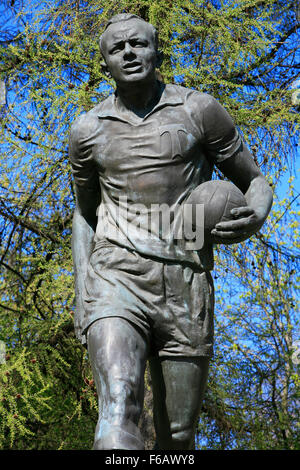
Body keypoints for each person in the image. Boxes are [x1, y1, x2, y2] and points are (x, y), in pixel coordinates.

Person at [69, 13, 273, 450]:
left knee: (177, 437)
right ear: (104, 64)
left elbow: (254, 180)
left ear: (157, 49)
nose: (129, 52)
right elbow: (85, 214)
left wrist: (256, 212)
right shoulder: (88, 131)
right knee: (119, 404)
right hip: (115, 275)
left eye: (138, 44)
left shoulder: (198, 109)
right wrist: (82, 288)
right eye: (117, 48)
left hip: (186, 278)